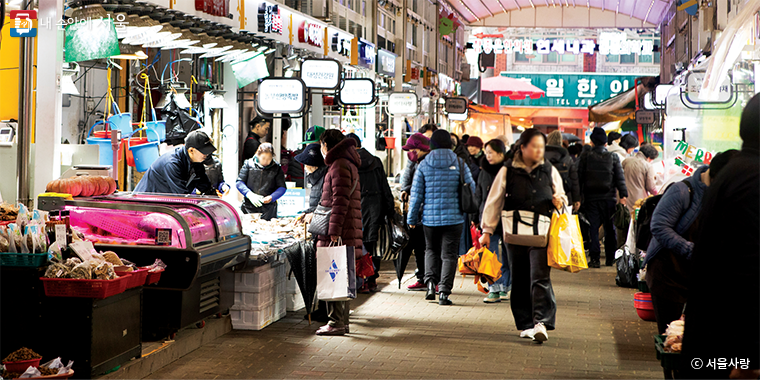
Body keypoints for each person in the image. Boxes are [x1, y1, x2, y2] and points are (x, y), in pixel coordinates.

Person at [683, 95, 760, 379]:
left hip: (711, 337)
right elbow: (749, 267)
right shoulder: (753, 178)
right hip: (729, 346)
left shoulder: (733, 173)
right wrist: (748, 360)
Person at [479, 129, 567, 343]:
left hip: (541, 232)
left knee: (540, 277)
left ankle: (541, 322)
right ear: (523, 147)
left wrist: (559, 201)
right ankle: (525, 323)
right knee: (519, 279)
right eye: (534, 146)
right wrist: (487, 231)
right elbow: (494, 201)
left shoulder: (549, 170)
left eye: (541, 147)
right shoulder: (507, 170)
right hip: (514, 234)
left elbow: (562, 196)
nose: (538, 151)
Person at [644, 151, 737, 335]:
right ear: (714, 174)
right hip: (668, 273)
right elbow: (659, 226)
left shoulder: (722, 196)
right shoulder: (681, 190)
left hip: (697, 275)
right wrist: (690, 250)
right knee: (672, 334)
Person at [407, 129, 475, 306]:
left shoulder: (423, 164)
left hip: (430, 218)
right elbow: (472, 188)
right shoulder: (459, 162)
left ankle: (430, 284)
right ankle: (444, 292)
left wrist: (412, 219)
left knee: (430, 250)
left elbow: (416, 195)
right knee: (449, 255)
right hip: (455, 218)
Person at [314, 130, 362, 336]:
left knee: (333, 275)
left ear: (327, 144)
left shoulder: (339, 165)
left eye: (321, 145)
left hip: (339, 230)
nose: (320, 149)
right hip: (346, 228)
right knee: (340, 275)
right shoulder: (346, 162)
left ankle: (335, 322)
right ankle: (342, 321)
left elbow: (340, 201)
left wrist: (333, 231)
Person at [346, 133, 395, 293]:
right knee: (374, 245)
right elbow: (385, 188)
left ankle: (361, 280)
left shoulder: (348, 163)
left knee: (359, 246)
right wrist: (390, 210)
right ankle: (372, 280)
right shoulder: (375, 161)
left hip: (356, 208)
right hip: (375, 209)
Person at [577, 127, 628, 268]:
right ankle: (611, 257)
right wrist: (623, 195)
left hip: (591, 198)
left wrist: (577, 197)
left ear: (592, 142)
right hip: (609, 198)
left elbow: (578, 177)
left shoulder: (585, 157)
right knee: (609, 228)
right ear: (605, 143)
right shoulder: (613, 157)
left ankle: (594, 259)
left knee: (593, 228)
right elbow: (620, 178)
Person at [475, 139, 512, 304]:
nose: (487, 156)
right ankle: (494, 288)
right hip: (489, 219)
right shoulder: (484, 171)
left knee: (508, 254)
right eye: (486, 152)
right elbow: (479, 196)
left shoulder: (510, 170)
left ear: (501, 153)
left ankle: (506, 286)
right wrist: (477, 218)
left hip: (507, 218)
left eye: (491, 152)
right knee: (490, 254)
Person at [134, 130, 216, 194]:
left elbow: (206, 187)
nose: (207, 154)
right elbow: (181, 196)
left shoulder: (196, 163)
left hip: (163, 206)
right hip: (146, 204)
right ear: (191, 150)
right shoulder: (172, 164)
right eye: (204, 151)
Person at [400, 133, 431, 291]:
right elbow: (407, 178)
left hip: (426, 212)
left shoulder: (427, 163)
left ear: (419, 149)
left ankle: (431, 280)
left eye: (411, 150)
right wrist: (405, 189)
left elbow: (419, 191)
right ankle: (424, 278)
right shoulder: (416, 162)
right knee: (420, 247)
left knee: (428, 248)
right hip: (420, 211)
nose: (408, 153)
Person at [236, 143, 287, 220]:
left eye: (269, 158)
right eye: (263, 158)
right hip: (248, 207)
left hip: (269, 209)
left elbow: (282, 187)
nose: (266, 161)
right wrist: (249, 194)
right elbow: (239, 182)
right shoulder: (248, 164)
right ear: (258, 155)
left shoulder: (276, 168)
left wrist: (272, 197)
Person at [546, 131, 581, 211]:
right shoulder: (567, 158)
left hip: (545, 196)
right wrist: (576, 199)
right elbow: (574, 180)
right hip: (564, 196)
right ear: (560, 141)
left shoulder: (541, 156)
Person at [622, 144, 660, 215]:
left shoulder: (626, 161)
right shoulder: (647, 165)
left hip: (623, 197)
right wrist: (657, 195)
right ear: (649, 158)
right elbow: (651, 187)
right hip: (638, 200)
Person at [295, 143, 327, 215]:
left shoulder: (324, 179)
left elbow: (325, 204)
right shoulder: (315, 178)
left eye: (306, 164)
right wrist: (307, 212)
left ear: (312, 166)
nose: (304, 168)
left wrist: (312, 213)